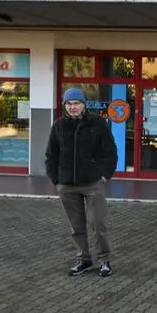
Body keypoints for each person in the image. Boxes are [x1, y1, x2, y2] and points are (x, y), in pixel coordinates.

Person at [45, 88, 117, 277]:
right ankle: (84, 259)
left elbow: (110, 151)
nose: (73, 107)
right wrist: (56, 179)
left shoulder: (98, 123)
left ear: (84, 104)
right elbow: (51, 155)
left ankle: (104, 260)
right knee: (76, 227)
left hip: (93, 183)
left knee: (97, 224)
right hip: (67, 185)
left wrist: (104, 175)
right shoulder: (59, 126)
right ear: (64, 106)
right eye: (69, 104)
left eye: (76, 103)